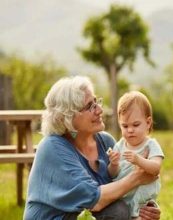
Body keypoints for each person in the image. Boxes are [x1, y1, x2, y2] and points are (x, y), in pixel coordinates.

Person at [24, 76, 161, 220]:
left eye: (96, 102)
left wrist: (145, 209)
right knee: (117, 211)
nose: (100, 110)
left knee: (119, 209)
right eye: (90, 106)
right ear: (68, 117)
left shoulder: (105, 141)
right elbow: (94, 200)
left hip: (86, 215)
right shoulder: (52, 147)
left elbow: (121, 189)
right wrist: (137, 177)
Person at [107, 91, 164, 220]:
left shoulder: (150, 145)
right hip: (122, 198)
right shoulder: (119, 145)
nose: (130, 130)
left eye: (135, 125)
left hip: (142, 202)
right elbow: (112, 175)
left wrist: (139, 160)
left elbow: (156, 168)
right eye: (125, 126)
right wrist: (113, 164)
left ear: (148, 123)